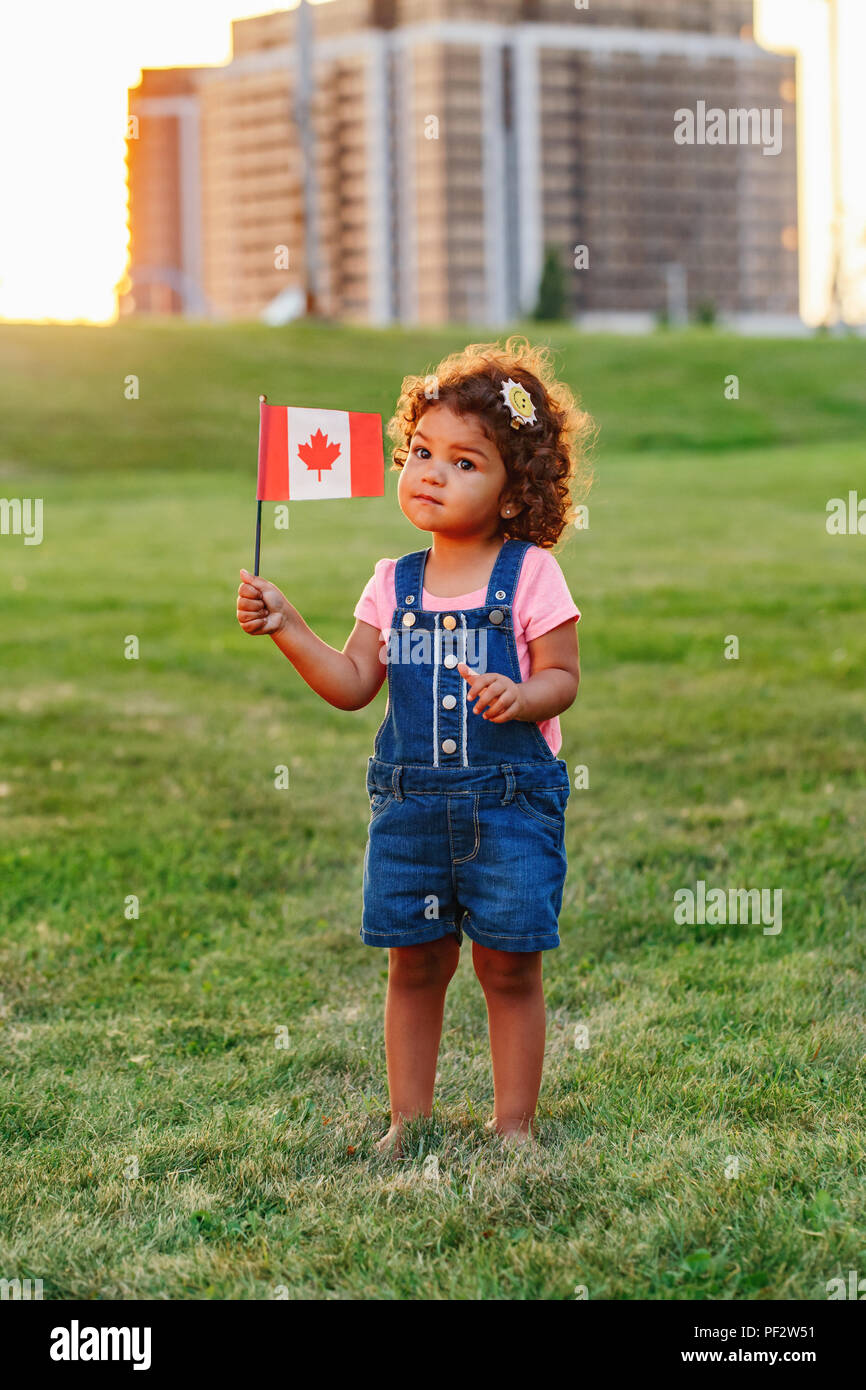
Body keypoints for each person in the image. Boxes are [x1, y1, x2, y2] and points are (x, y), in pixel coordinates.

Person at [236, 335, 593, 1156]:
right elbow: (354, 681)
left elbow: (565, 676)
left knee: (509, 967)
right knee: (415, 965)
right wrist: (290, 627)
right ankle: (409, 1121)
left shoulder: (531, 575)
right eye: (421, 452)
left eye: (466, 462)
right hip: (409, 809)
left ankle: (514, 1127)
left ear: (514, 493)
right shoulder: (391, 582)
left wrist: (523, 693)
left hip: (509, 808)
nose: (432, 472)